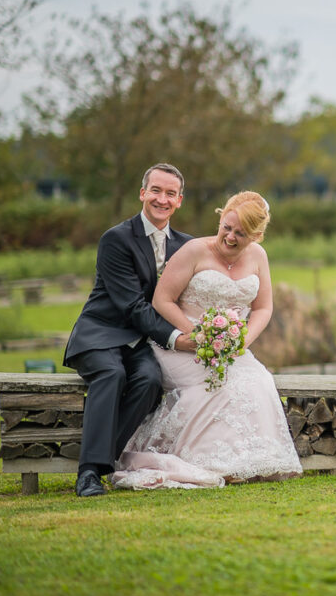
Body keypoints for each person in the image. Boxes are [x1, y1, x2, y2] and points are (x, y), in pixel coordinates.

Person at [111, 191, 302, 489]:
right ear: (221, 218)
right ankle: (204, 462)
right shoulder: (192, 251)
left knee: (259, 382)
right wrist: (196, 334)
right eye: (226, 227)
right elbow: (162, 300)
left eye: (240, 233)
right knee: (218, 386)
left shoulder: (258, 257)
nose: (229, 237)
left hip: (231, 347)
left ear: (257, 236)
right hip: (182, 345)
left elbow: (264, 307)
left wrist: (243, 341)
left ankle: (247, 462)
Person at [64, 163, 195, 497]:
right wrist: (178, 339)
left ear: (179, 200)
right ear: (142, 193)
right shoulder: (116, 239)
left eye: (170, 193)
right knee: (111, 374)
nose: (161, 199)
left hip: (139, 342)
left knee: (150, 381)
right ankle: (89, 473)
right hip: (101, 332)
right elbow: (132, 306)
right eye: (156, 190)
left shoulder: (186, 246)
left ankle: (102, 460)